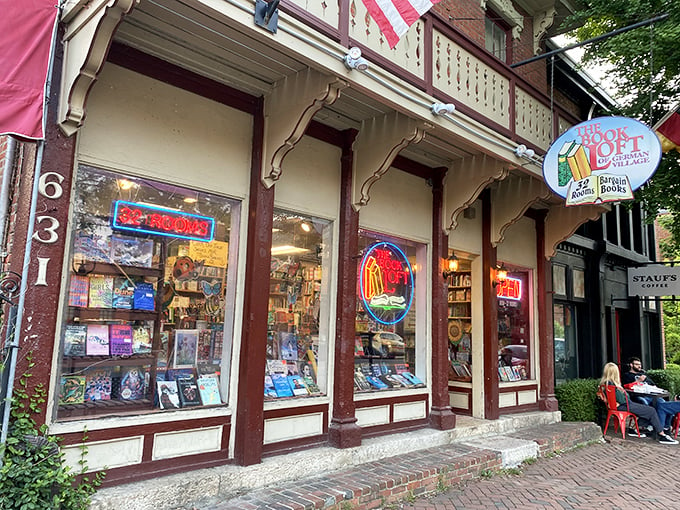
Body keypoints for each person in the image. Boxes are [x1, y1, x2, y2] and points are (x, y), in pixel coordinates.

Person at [599, 362, 678, 444]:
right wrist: (623, 392)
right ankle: (661, 435)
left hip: (619, 406)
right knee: (651, 410)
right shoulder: (613, 385)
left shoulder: (605, 384)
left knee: (648, 410)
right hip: (625, 405)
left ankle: (635, 429)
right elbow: (622, 400)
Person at [622, 357, 680, 430]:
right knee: (645, 405)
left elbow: (653, 385)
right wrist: (638, 381)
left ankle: (665, 427)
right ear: (631, 365)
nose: (639, 366)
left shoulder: (643, 374)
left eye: (640, 364)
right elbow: (625, 387)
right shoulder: (627, 375)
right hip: (637, 396)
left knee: (663, 403)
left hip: (650, 395)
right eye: (637, 364)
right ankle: (642, 426)